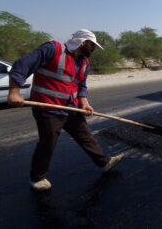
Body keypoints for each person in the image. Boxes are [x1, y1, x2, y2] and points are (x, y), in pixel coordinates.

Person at [8, 29, 124, 191]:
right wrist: (14, 92)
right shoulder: (52, 49)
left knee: (85, 136)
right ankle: (37, 178)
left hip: (71, 107)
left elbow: (81, 85)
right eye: (92, 45)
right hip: (47, 107)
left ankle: (104, 162)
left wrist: (84, 102)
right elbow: (22, 65)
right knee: (48, 142)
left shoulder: (84, 62)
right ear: (83, 42)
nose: (94, 48)